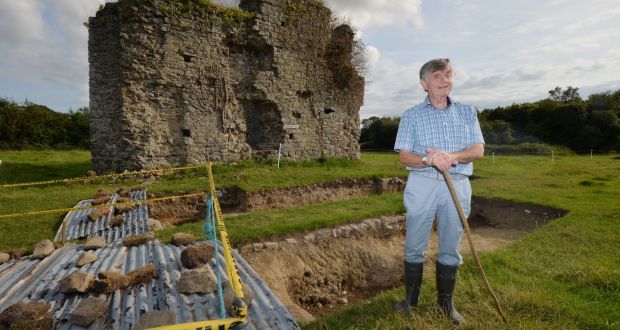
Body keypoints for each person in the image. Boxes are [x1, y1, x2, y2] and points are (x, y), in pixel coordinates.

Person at [392, 58, 485, 325]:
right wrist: (428, 159)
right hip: (422, 183)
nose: (445, 79)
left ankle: (447, 304)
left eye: (449, 74)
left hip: (457, 183)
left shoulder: (468, 112)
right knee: (414, 244)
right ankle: (410, 301)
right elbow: (405, 156)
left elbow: (478, 150)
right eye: (437, 76)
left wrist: (450, 156)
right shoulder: (411, 115)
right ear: (424, 84)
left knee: (451, 245)